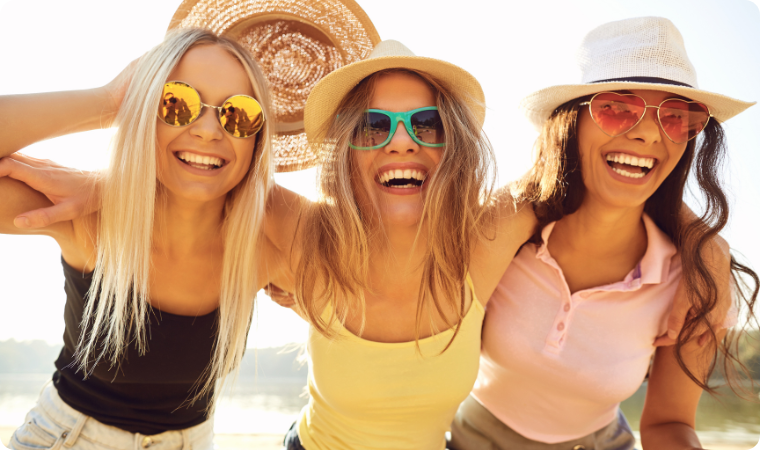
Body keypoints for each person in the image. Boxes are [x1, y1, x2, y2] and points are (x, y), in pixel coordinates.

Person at [448, 17, 757, 450]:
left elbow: (669, 425)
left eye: (675, 118)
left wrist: (708, 247)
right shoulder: (503, 233)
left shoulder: (694, 279)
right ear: (571, 123)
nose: (649, 132)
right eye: (616, 108)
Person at [0, 28, 273, 450]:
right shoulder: (87, 220)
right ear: (146, 112)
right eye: (178, 103)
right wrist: (108, 101)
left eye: (238, 114)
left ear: (258, 139)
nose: (207, 130)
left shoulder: (265, 246)